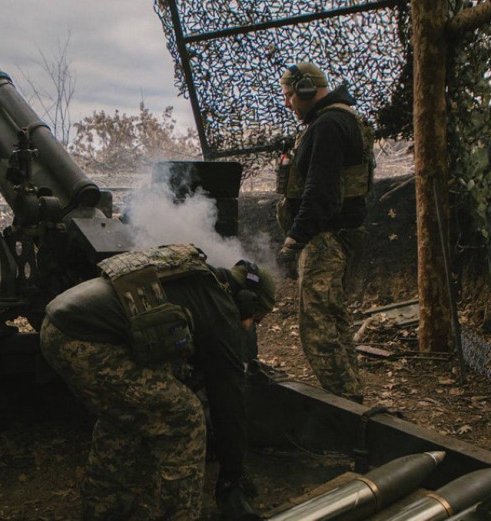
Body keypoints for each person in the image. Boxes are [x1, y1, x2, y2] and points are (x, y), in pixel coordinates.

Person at [39, 244, 275, 520]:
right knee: (184, 416)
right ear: (247, 301)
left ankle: (105, 507)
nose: (251, 326)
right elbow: (229, 400)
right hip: (83, 340)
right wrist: (232, 474)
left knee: (128, 411)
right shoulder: (220, 307)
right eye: (256, 318)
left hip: (58, 325)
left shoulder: (199, 280)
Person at [275, 62, 374, 404]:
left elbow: (321, 192)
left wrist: (295, 239)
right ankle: (353, 398)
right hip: (343, 234)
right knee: (335, 320)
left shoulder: (329, 125)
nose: (287, 103)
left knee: (318, 329)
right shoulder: (342, 118)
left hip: (327, 239)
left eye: (290, 95)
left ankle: (346, 407)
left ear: (306, 89)